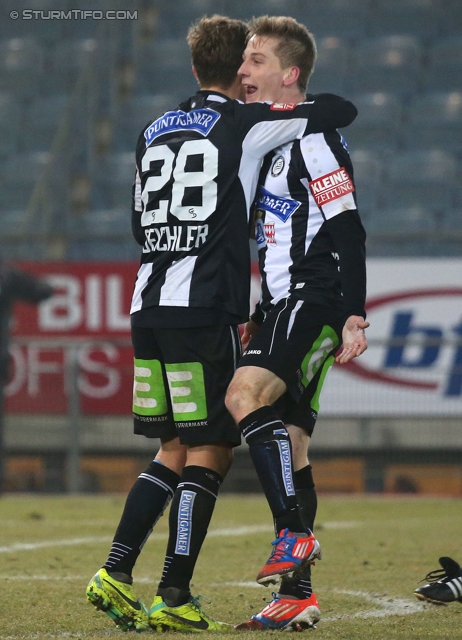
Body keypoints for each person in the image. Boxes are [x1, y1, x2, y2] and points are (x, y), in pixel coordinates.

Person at [85, 14, 357, 634]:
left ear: (190, 68)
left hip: (145, 300)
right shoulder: (243, 123)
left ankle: (115, 570)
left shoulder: (151, 129)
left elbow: (137, 222)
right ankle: (175, 589)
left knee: (171, 446)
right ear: (240, 72)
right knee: (208, 448)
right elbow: (335, 112)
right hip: (200, 305)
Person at [224, 16, 368, 631]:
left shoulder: (314, 139)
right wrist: (260, 311)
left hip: (315, 302)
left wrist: (356, 314)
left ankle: (292, 535)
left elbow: (348, 233)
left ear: (289, 73)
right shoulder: (270, 140)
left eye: (255, 61)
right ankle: (298, 595)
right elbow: (276, 238)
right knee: (294, 441)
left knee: (242, 394)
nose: (242, 71)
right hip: (284, 305)